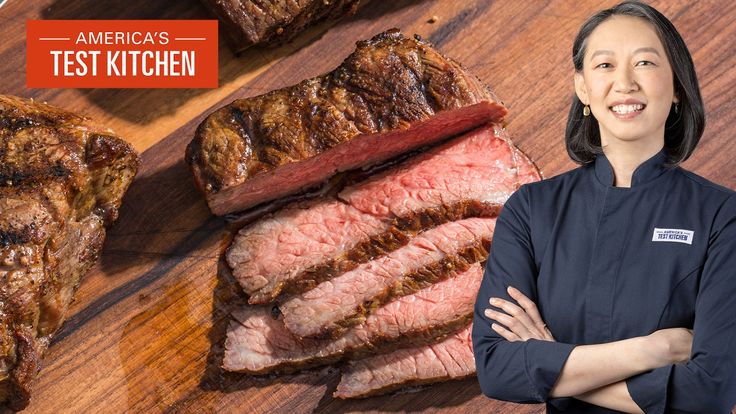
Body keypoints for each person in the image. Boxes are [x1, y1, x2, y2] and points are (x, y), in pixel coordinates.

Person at [472, 2, 736, 413]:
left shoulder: (722, 216)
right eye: (605, 65)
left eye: (645, 62)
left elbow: (710, 392)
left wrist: (547, 359)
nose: (625, 83)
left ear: (678, 87)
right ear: (583, 90)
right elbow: (494, 368)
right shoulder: (531, 210)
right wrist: (652, 349)